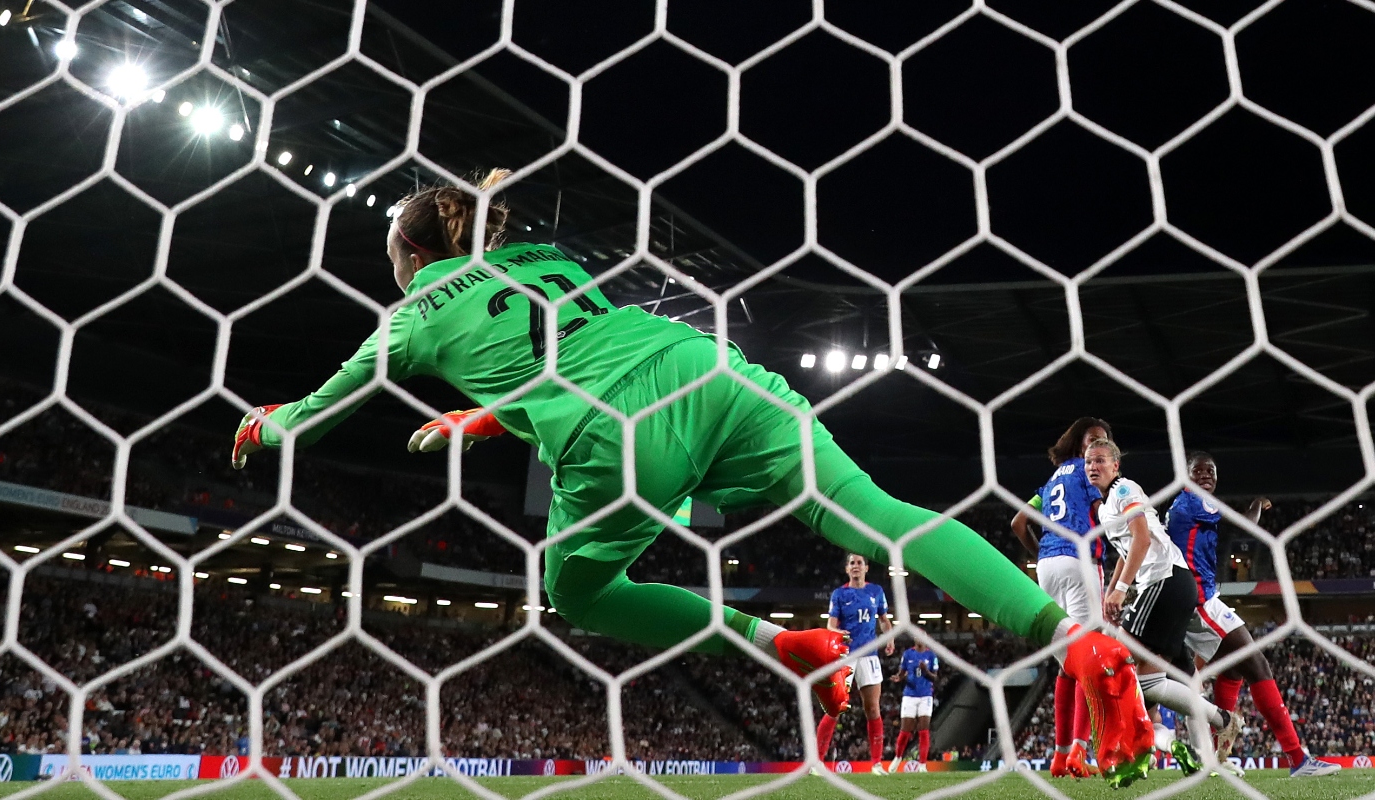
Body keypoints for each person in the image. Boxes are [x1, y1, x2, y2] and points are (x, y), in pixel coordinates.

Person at [230, 170, 1156, 786]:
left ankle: (783, 647)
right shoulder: (539, 258)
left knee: (576, 589)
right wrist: (483, 414)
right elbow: (557, 345)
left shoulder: (406, 319)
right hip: (701, 365)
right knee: (880, 514)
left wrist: (262, 422)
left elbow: (310, 414)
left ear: (411, 258)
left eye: (393, 259)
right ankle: (1076, 643)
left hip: (618, 428)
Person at [1166, 452, 1340, 777]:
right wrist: (1258, 503)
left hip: (1196, 598)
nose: (1205, 476)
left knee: (1233, 670)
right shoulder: (1194, 501)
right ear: (1186, 475)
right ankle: (1298, 759)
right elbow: (1246, 525)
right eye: (1198, 471)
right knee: (1257, 664)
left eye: (1210, 471)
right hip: (1200, 601)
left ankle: (1217, 758)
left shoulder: (1182, 504)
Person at [1083, 437, 1240, 776]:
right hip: (1171, 585)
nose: (1093, 467)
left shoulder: (1125, 490)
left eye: (1099, 460)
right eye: (1088, 462)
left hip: (1164, 582)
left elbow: (1141, 539)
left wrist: (1121, 590)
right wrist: (1111, 592)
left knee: (1116, 664)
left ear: (1115, 465)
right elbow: (1127, 551)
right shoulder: (1106, 505)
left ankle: (1136, 750)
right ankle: (1216, 732)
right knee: (1159, 680)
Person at [1010, 417, 1109, 778]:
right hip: (1080, 561)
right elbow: (1103, 514)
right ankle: (1079, 752)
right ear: (1081, 444)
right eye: (1094, 440)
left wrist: (1042, 555)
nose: (1098, 448)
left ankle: (1060, 755)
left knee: (1067, 666)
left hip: (1047, 568)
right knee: (1089, 659)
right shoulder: (1090, 472)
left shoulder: (1053, 479)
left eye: (1103, 441)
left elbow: (1018, 523)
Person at [824, 553, 893, 770]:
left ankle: (877, 764)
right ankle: (816, 762)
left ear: (866, 568)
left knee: (872, 708)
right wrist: (838, 632)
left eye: (859, 563)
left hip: (869, 655)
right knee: (834, 707)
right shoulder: (840, 594)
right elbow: (830, 625)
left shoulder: (876, 592)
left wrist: (889, 637)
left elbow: (884, 619)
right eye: (852, 563)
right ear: (847, 569)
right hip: (846, 655)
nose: (856, 566)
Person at [888, 637, 937, 774]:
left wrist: (926, 671)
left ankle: (922, 765)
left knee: (923, 730)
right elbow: (902, 672)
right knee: (905, 730)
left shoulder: (931, 655)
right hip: (909, 695)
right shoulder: (908, 654)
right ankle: (898, 757)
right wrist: (898, 677)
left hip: (926, 695)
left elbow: (935, 677)